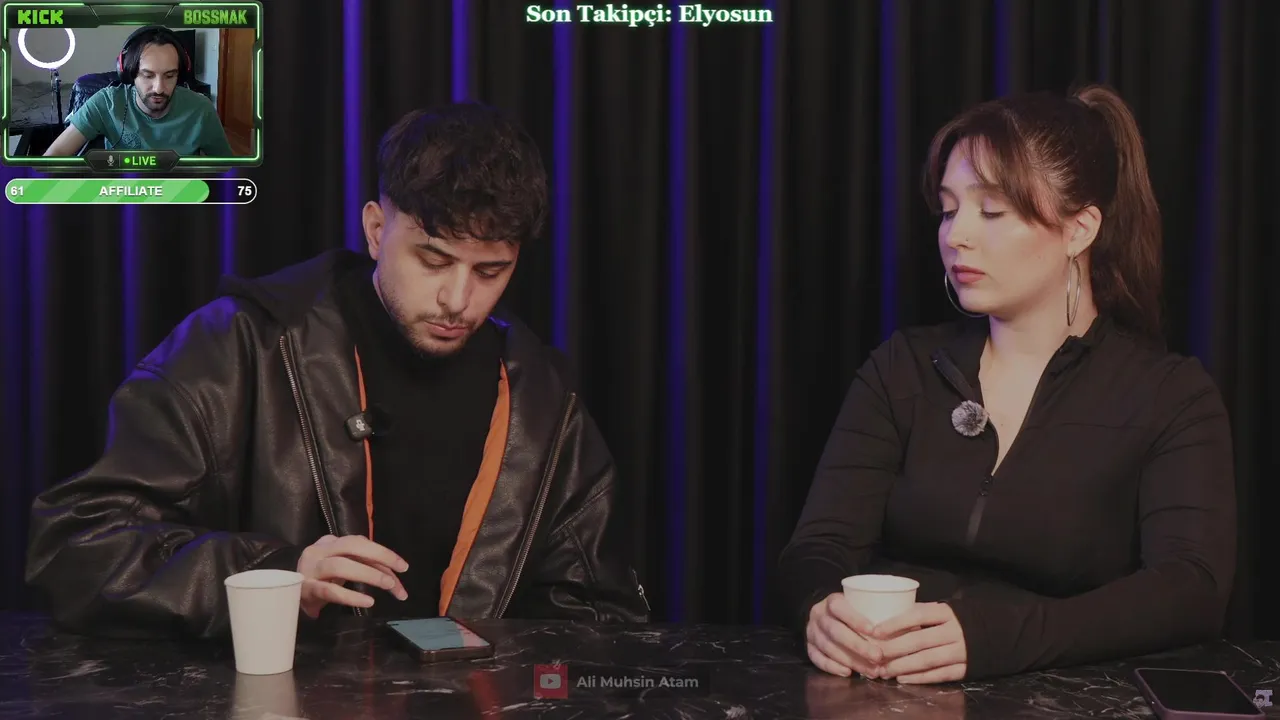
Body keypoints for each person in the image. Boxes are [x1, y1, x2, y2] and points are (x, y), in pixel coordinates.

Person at [26, 102, 650, 639]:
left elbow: (597, 613)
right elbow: (77, 546)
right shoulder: (237, 346)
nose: (459, 300)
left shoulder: (543, 397)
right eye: (433, 260)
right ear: (376, 230)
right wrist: (274, 579)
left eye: (490, 271)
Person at [779, 85, 1236, 684]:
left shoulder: (1170, 396)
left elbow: (1191, 588)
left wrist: (998, 638)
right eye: (949, 210)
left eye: (991, 211)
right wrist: (819, 609)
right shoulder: (903, 368)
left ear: (1080, 229)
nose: (956, 236)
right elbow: (819, 544)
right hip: (886, 690)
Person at [43, 26, 233, 157]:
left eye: (169, 76)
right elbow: (55, 154)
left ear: (180, 75)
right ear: (129, 73)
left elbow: (227, 169)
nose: (159, 88)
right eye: (147, 75)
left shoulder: (201, 109)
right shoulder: (106, 103)